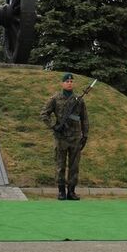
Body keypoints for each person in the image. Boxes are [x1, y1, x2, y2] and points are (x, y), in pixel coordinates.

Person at [40, 72, 89, 200]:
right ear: (62, 83)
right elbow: (44, 114)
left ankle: (71, 191)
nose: (69, 83)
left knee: (74, 166)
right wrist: (53, 126)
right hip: (61, 137)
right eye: (67, 82)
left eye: (71, 81)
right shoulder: (55, 99)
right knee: (60, 165)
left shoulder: (79, 100)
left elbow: (84, 119)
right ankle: (61, 191)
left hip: (75, 137)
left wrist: (85, 135)